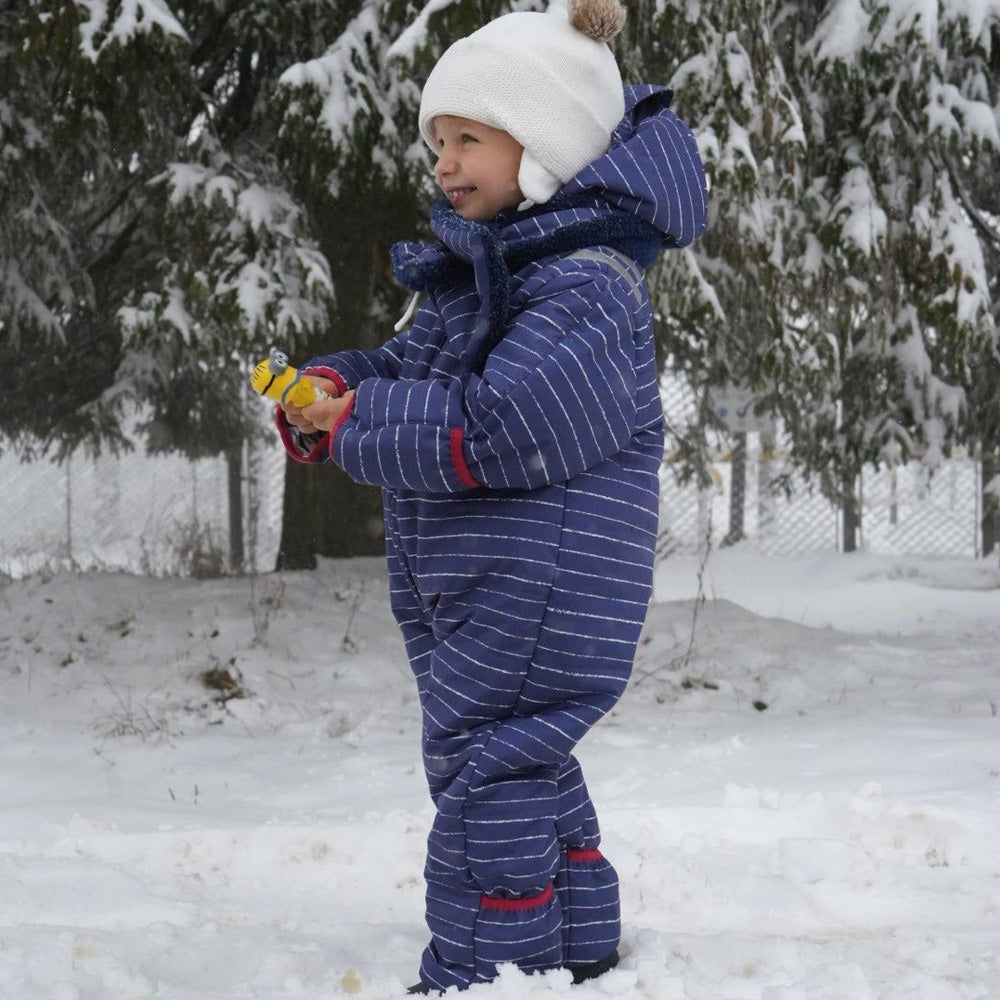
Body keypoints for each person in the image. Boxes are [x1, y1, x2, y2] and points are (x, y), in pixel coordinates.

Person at [274, 0, 707, 991]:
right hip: (499, 583)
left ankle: (486, 967)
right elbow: (409, 366)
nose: (445, 166)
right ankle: (572, 942)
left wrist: (362, 428)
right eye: (436, 145)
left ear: (545, 143)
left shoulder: (586, 290)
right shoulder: (492, 276)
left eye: (469, 138)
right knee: (517, 763)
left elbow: (498, 425)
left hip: (540, 586)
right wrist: (339, 386)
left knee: (483, 774)